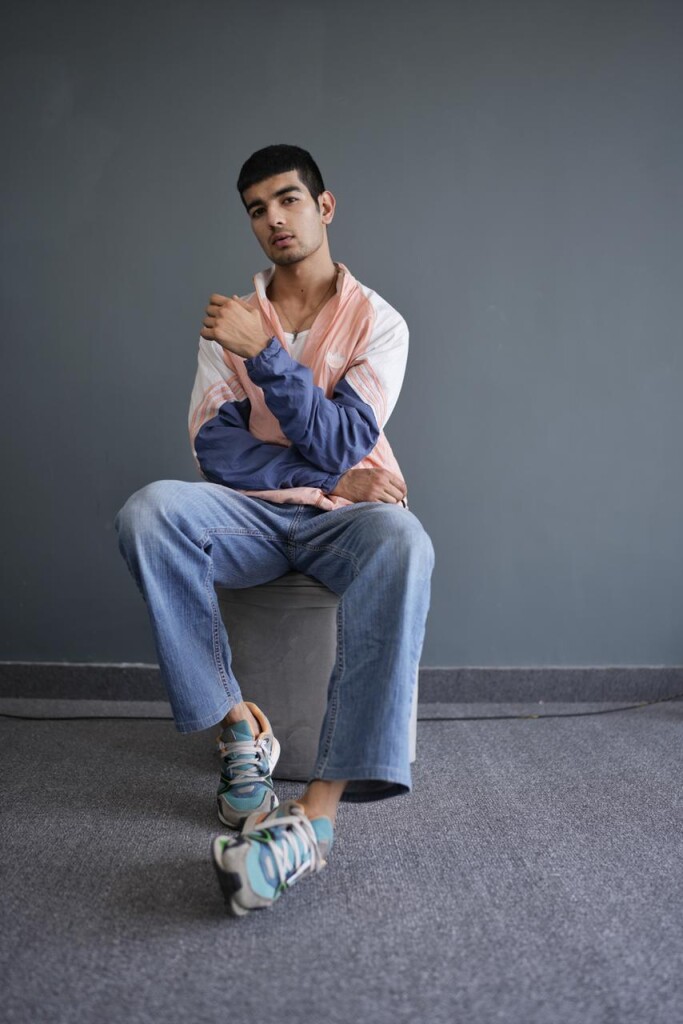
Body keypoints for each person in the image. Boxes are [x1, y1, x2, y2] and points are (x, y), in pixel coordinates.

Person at [116, 144, 434, 917]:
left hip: (346, 521)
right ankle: (238, 726)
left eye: (289, 200)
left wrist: (263, 357)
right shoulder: (228, 319)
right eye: (257, 209)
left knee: (404, 542)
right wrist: (332, 473)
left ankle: (315, 818)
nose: (274, 219)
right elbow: (216, 450)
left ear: (324, 207)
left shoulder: (379, 323)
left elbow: (343, 439)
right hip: (251, 516)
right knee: (150, 511)